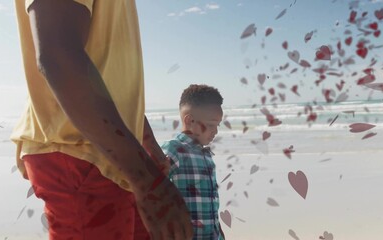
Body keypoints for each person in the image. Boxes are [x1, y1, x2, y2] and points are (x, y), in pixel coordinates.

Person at [11, 0, 193, 239]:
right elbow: (58, 56)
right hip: (79, 149)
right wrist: (146, 180)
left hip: (117, 152)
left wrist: (149, 148)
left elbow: (114, 86)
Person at [161, 84, 226, 240]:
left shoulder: (206, 154)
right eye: (211, 125)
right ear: (190, 120)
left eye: (217, 125)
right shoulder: (174, 149)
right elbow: (152, 189)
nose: (215, 131)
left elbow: (210, 203)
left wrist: (219, 231)